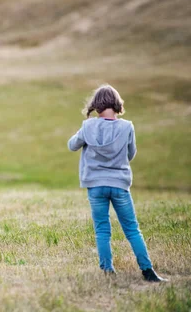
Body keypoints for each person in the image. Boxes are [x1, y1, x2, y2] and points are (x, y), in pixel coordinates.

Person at [68, 84, 167, 282]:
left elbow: (72, 145)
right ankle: (148, 271)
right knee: (131, 229)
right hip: (119, 184)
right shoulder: (127, 127)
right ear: (117, 104)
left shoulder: (88, 126)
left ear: (96, 105)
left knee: (102, 229)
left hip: (95, 184)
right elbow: (131, 154)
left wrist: (86, 132)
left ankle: (107, 270)